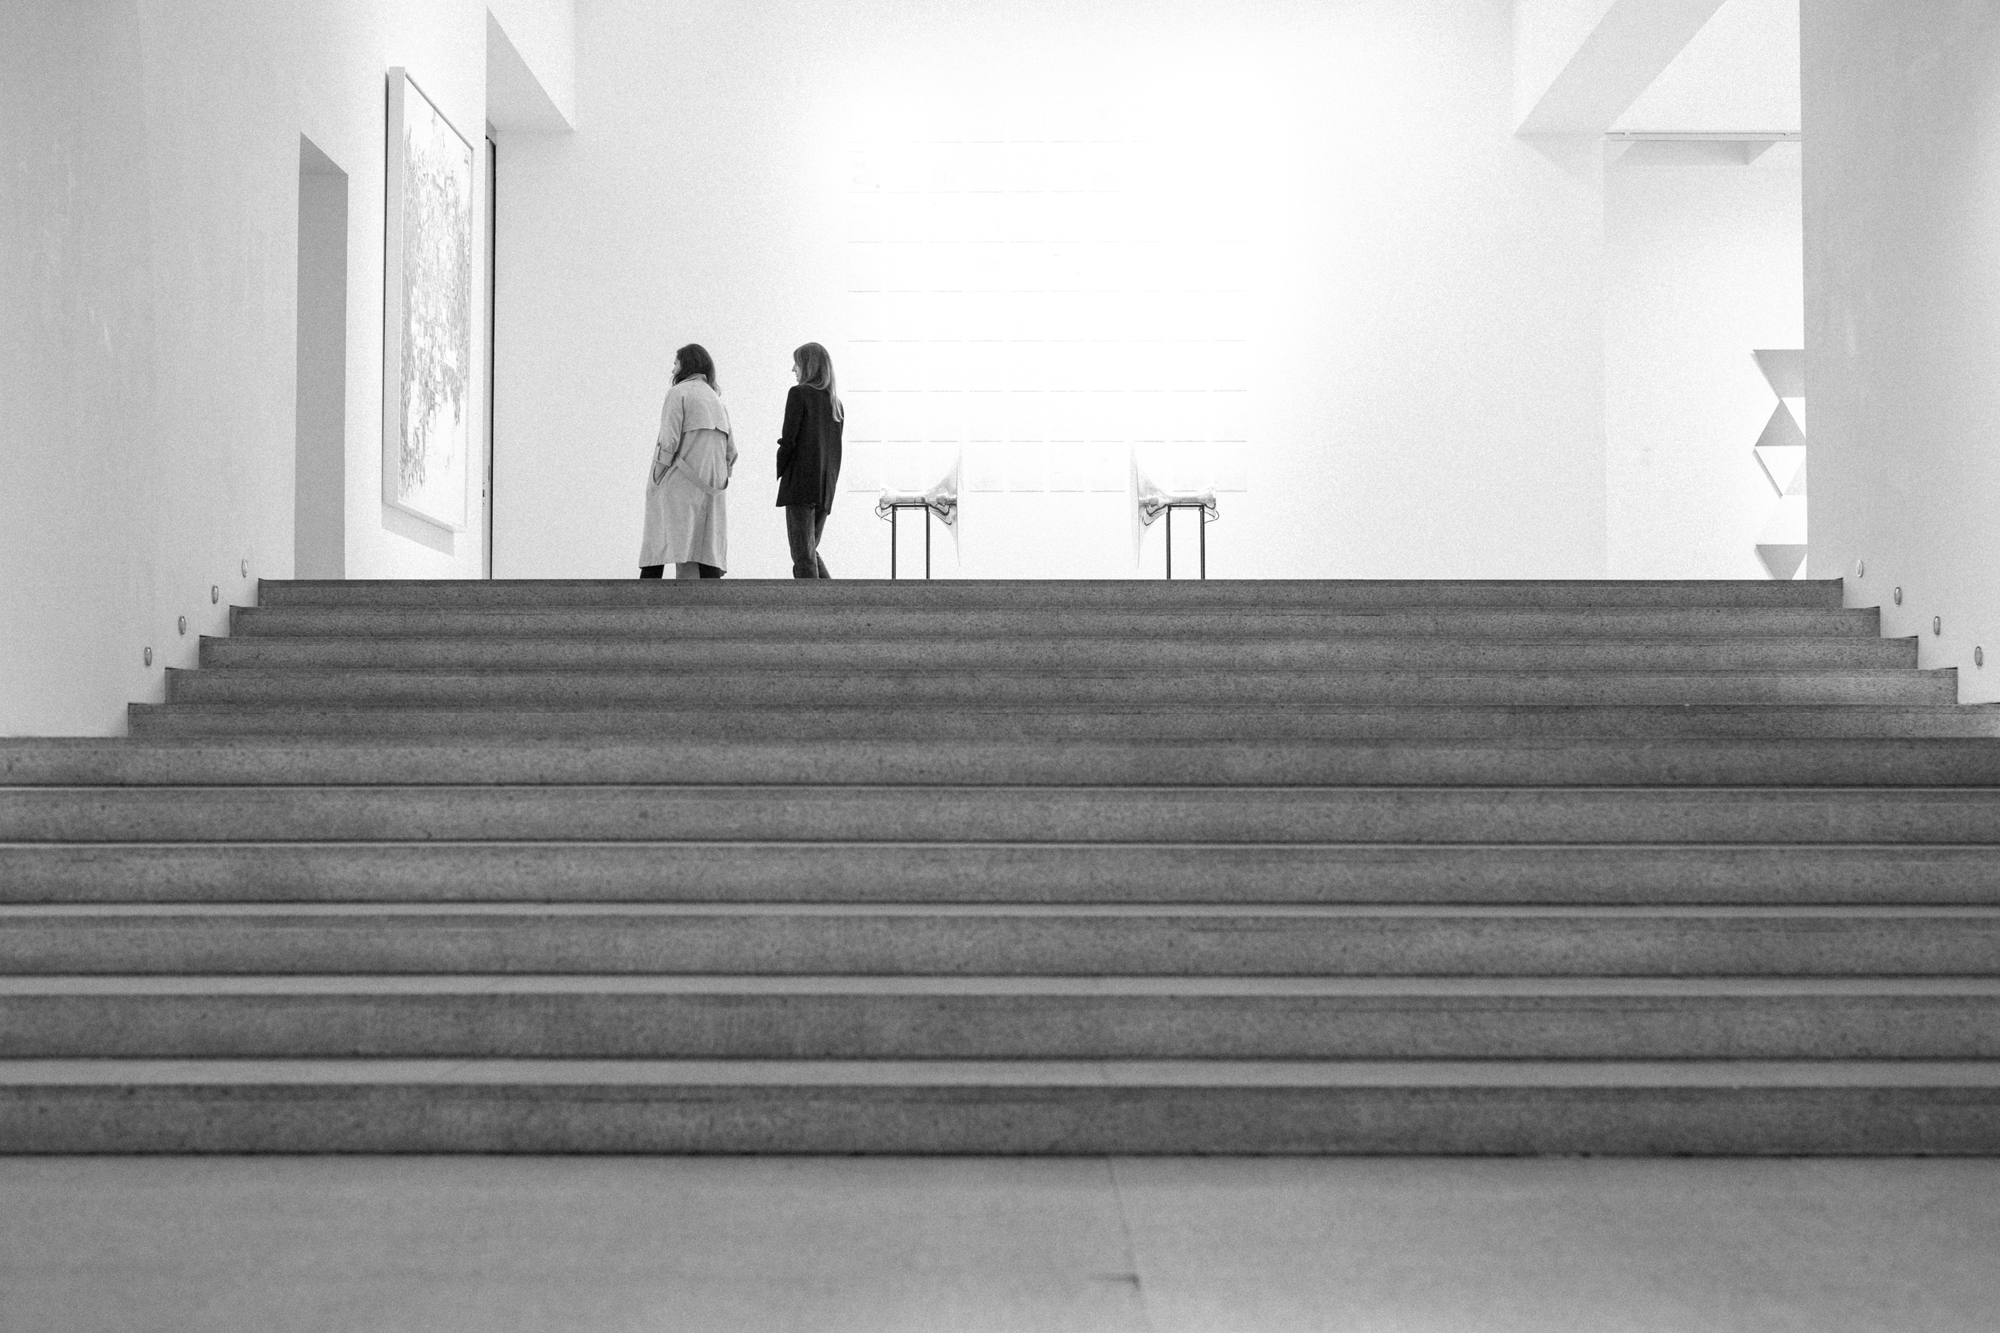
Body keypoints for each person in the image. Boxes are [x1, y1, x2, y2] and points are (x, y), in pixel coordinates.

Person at [640, 344, 736, 579]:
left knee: (661, 542)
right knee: (703, 547)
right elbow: (731, 452)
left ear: (686, 364)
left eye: (676, 362)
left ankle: (643, 604)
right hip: (710, 487)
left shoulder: (678, 393)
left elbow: (668, 440)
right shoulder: (716, 400)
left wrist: (656, 476)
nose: (673, 368)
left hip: (679, 481)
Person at [775, 341, 844, 579]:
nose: (793, 369)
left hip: (800, 485)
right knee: (809, 552)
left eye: (796, 363)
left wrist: (781, 469)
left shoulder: (799, 394)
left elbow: (789, 439)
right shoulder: (836, 404)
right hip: (824, 489)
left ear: (807, 365)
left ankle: (815, 611)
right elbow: (835, 451)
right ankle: (833, 602)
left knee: (802, 557)